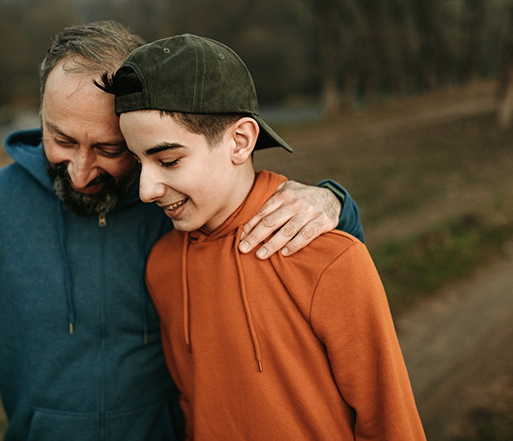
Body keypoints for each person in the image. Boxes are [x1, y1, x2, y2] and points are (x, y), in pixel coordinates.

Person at [0, 22, 364, 441]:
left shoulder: (175, 206)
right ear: (41, 116)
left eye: (108, 148)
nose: (81, 172)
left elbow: (284, 237)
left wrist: (334, 202)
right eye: (62, 140)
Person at [108, 34, 425, 440]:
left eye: (168, 160)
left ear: (240, 141)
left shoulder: (329, 259)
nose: (146, 189)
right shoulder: (163, 266)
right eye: (138, 162)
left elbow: (392, 426)